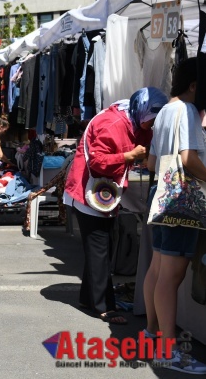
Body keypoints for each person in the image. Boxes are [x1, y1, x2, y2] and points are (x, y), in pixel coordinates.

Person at [64, 87, 168, 325]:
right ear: (143, 111)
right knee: (101, 248)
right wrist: (128, 156)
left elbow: (144, 142)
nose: (152, 126)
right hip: (89, 191)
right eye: (152, 121)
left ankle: (88, 299)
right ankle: (104, 306)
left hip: (103, 191)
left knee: (101, 247)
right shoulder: (113, 123)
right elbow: (99, 161)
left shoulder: (134, 119)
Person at [144, 58, 206, 374]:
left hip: (163, 190)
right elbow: (189, 158)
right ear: (195, 85)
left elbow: (153, 163)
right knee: (171, 276)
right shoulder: (189, 111)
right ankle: (168, 350)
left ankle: (152, 335)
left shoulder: (166, 110)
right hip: (184, 194)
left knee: (158, 268)